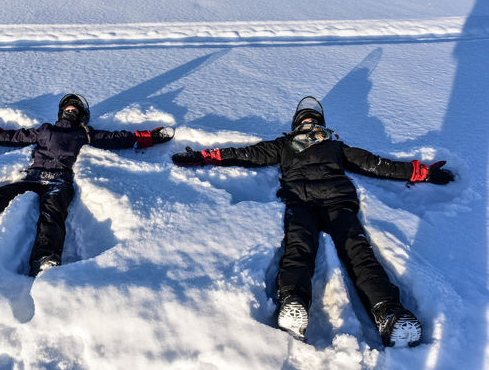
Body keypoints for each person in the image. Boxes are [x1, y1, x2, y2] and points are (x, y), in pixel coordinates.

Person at [171, 96, 454, 347]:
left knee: (341, 254)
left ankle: (384, 314)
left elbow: (376, 164)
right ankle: (302, 304)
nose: (308, 122)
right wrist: (206, 156)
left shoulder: (317, 146)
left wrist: (421, 172)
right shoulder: (309, 145)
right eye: (307, 119)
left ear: (308, 123)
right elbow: (246, 154)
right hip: (316, 203)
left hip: (320, 203)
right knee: (316, 252)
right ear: (305, 123)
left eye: (310, 119)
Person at [0, 94, 174, 277]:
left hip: (59, 181)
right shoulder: (44, 129)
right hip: (32, 178)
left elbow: (119, 138)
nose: (71, 110)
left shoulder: (85, 133)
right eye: (68, 107)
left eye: (75, 109)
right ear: (61, 112)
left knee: (51, 215)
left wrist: (150, 137)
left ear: (81, 115)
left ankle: (45, 260)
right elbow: (13, 136)